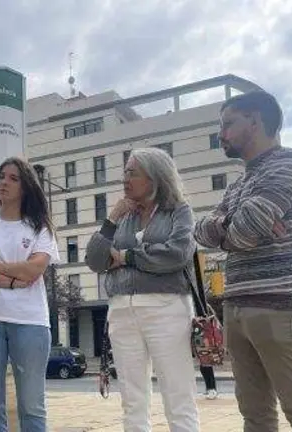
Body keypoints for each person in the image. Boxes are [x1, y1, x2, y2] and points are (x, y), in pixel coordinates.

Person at [193, 90, 292, 431]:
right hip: (237, 306)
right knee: (254, 415)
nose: (221, 134)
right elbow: (201, 232)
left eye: (228, 124)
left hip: (282, 305)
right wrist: (235, 223)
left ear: (254, 121)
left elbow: (244, 232)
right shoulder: (240, 183)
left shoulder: (290, 163)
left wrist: (233, 226)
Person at [85, 147, 199, 432]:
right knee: (132, 401)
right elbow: (95, 261)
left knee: (178, 396)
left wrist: (126, 257)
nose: (125, 178)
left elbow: (176, 254)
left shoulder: (179, 211)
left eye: (132, 172)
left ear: (154, 177)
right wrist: (111, 219)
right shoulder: (123, 217)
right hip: (122, 310)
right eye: (124, 172)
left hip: (167, 308)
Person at [0, 157, 59, 431]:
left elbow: (35, 269)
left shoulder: (41, 228)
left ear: (26, 187)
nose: (4, 182)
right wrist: (13, 282)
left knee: (32, 406)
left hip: (30, 322)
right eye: (1, 176)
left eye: (13, 178)